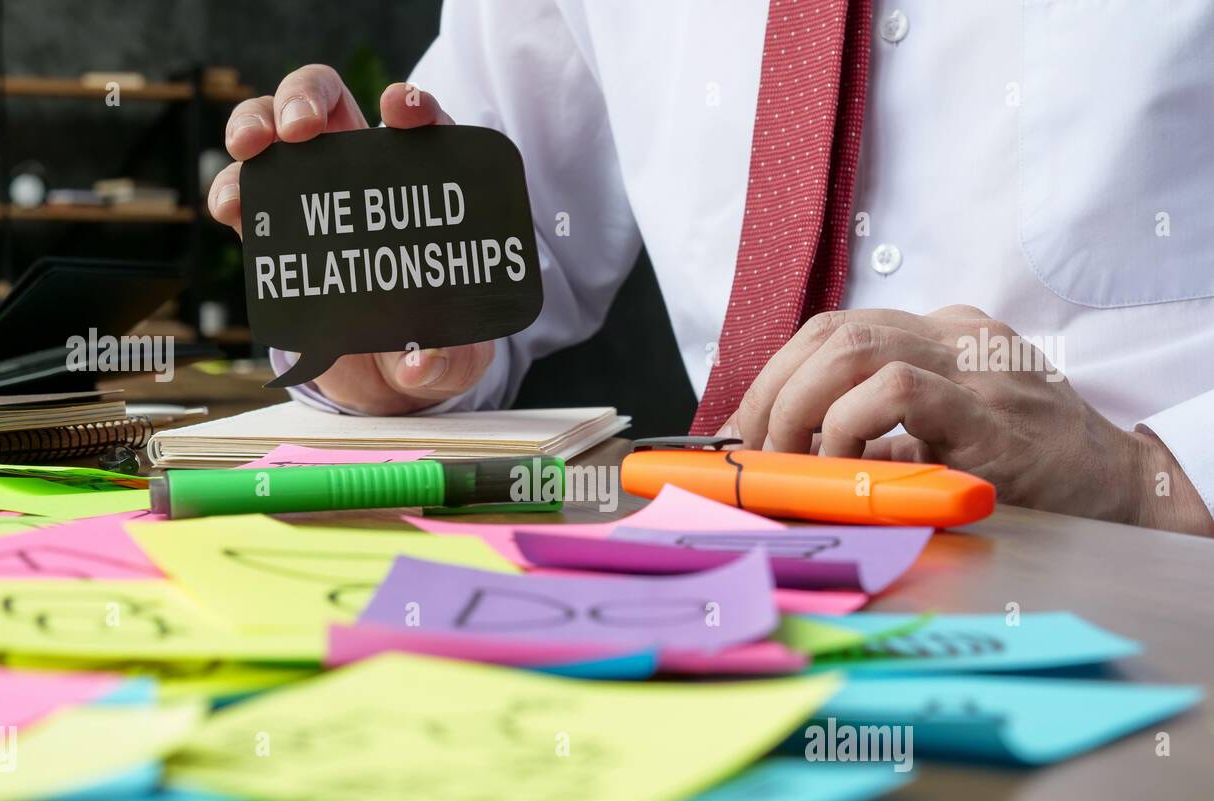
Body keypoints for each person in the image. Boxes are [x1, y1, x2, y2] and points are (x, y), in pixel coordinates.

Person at [208, 0, 1214, 536]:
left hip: (1159, 592)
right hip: (728, 621)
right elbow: (486, 269)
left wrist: (1147, 477)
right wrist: (387, 341)